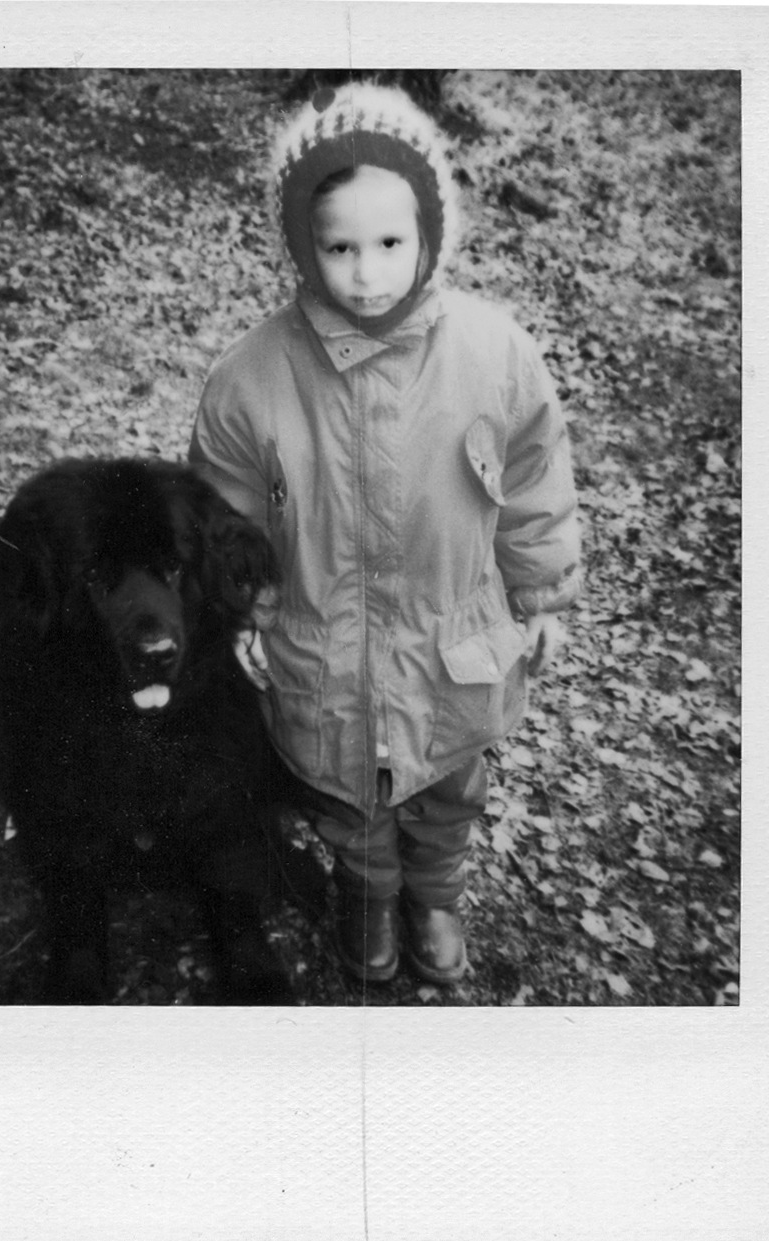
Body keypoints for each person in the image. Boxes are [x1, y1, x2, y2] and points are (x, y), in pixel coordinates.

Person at [189, 82, 582, 988]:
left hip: (453, 644)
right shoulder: (250, 377)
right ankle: (366, 891)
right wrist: (240, 608)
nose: (366, 273)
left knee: (449, 783)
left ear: (431, 233)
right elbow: (224, 516)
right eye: (340, 247)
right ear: (301, 242)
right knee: (342, 794)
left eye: (390, 244)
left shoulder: (496, 354)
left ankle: (434, 894)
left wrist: (541, 593)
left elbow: (533, 478)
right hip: (321, 644)